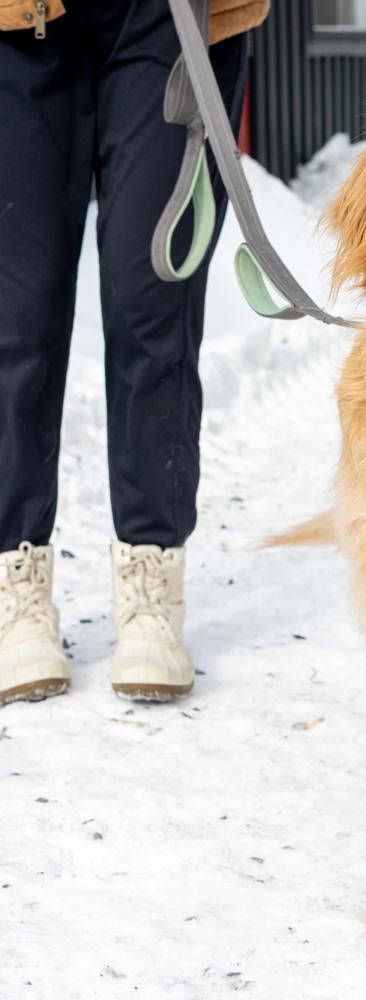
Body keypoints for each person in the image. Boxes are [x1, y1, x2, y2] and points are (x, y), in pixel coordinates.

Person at [0, 0, 269, 707]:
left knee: (153, 295)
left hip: (166, 15)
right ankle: (13, 585)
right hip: (13, 24)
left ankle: (152, 584)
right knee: (16, 312)